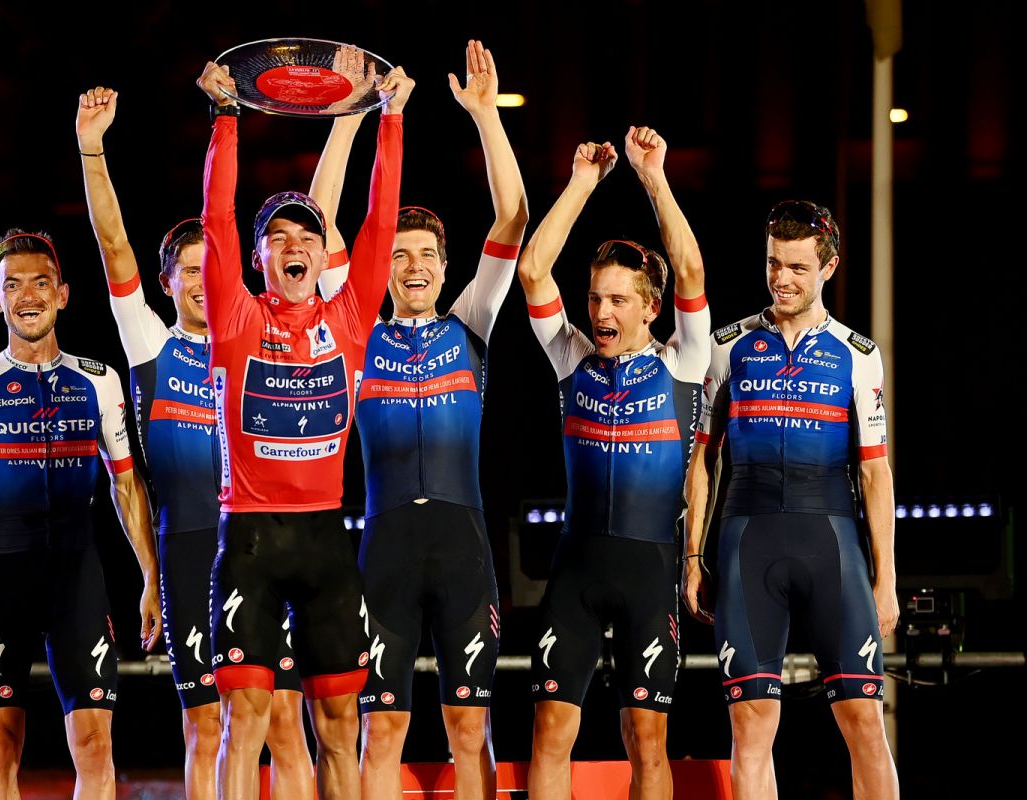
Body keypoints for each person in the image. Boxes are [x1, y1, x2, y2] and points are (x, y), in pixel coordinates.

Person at [75, 87, 312, 800]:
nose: (203, 280)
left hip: (265, 545)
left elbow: (315, 246)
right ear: (167, 282)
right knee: (206, 728)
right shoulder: (150, 345)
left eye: (214, 267)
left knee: (285, 724)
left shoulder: (260, 335)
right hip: (187, 552)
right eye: (188, 269)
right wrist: (92, 148)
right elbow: (113, 245)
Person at [314, 38, 528, 800]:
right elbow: (321, 221)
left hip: (464, 551)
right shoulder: (356, 330)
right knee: (382, 730)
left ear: (445, 265)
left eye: (425, 255)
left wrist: (486, 116)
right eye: (398, 255)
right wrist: (349, 116)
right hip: (384, 552)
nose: (411, 267)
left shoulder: (471, 323)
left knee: (471, 728)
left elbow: (513, 216)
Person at [194, 58, 411, 800]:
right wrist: (226, 117)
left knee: (340, 725)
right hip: (249, 541)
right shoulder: (235, 317)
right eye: (279, 237)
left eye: (308, 237)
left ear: (323, 256)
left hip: (325, 540)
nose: (294, 246)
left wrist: (391, 118)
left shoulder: (349, 317)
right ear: (258, 257)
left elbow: (381, 221)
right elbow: (216, 218)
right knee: (244, 720)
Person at [0, 230, 162, 799]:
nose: (28, 295)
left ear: (62, 294)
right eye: (13, 284)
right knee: (0, 744)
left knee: (95, 745)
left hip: (78, 576)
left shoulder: (100, 381)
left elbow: (126, 484)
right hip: (1, 573)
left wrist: (151, 577)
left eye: (41, 282)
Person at [517, 127, 710, 800]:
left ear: (651, 307)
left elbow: (690, 271)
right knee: (549, 731)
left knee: (647, 742)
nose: (600, 311)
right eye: (595, 297)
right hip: (576, 568)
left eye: (618, 300)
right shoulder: (571, 358)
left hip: (648, 573)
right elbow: (533, 271)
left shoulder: (683, 362)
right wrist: (581, 184)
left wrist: (654, 178)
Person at [683, 199, 899, 800]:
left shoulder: (859, 355)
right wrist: (693, 557)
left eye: (798, 268)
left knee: (864, 721)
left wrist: (886, 580)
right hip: (747, 542)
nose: (782, 278)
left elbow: (875, 473)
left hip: (831, 542)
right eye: (774, 263)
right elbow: (702, 459)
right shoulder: (728, 347)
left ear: (829, 267)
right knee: (751, 726)